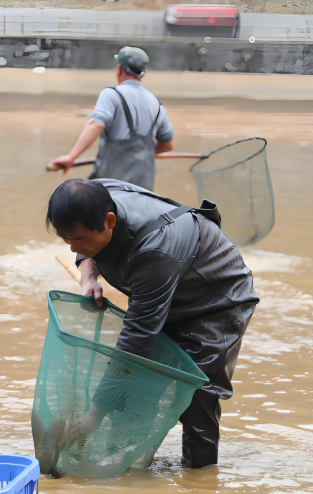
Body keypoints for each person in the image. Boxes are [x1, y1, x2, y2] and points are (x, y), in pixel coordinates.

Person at [45, 178, 259, 469]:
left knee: (198, 398)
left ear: (110, 221)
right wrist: (88, 275)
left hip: (216, 299)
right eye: (66, 239)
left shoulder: (154, 249)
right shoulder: (90, 195)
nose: (72, 249)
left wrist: (94, 413)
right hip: (163, 291)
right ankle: (119, 469)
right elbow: (84, 237)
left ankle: (200, 479)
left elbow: (137, 337)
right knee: (134, 391)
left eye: (80, 241)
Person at [49, 46, 174, 191]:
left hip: (111, 186)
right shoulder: (156, 104)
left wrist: (71, 156)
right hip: (143, 188)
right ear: (143, 74)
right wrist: (140, 153)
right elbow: (167, 145)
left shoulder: (111, 94)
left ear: (119, 69)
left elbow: (95, 125)